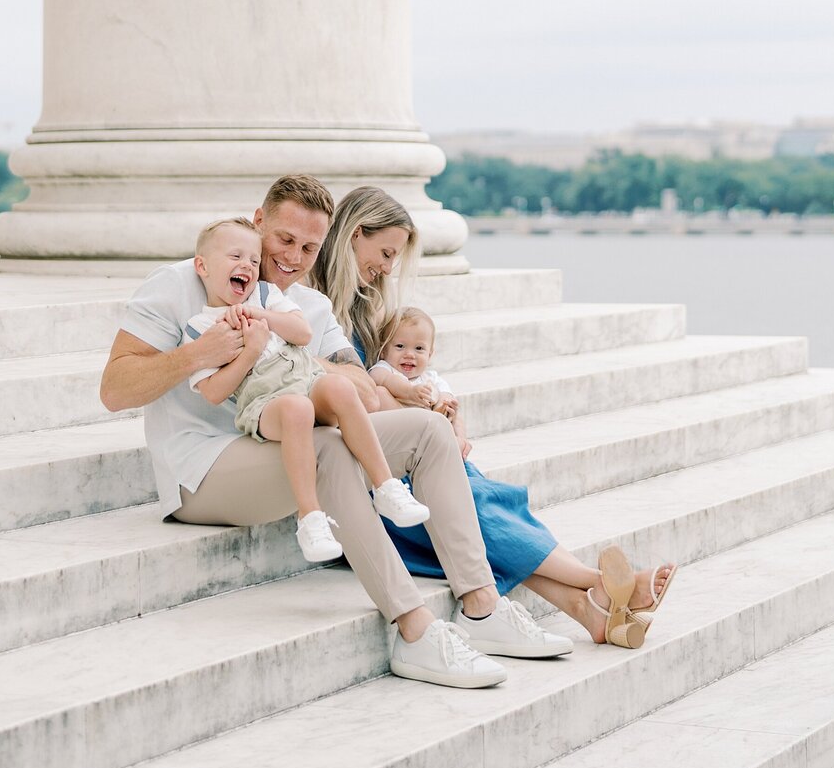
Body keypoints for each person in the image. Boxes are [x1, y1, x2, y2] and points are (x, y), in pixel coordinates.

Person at [99, 174, 567, 688]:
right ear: (258, 223)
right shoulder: (181, 283)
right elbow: (115, 390)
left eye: (309, 247)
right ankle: (414, 630)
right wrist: (200, 354)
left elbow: (361, 390)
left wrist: (285, 347)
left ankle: (481, 609)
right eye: (283, 240)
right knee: (328, 446)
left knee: (429, 431)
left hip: (283, 443)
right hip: (204, 469)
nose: (293, 258)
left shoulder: (309, 309)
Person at [308, 184, 678, 648]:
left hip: (391, 454)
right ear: (355, 234)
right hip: (356, 474)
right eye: (384, 252)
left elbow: (389, 388)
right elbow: (359, 399)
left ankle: (589, 613)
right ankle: (593, 582)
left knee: (472, 497)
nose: (386, 267)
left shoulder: (363, 311)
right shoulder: (311, 304)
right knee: (473, 505)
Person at [184, 216, 430, 562]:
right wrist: (250, 352)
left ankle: (386, 486)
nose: (247, 266)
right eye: (235, 257)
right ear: (203, 266)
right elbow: (212, 392)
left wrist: (263, 317)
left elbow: (302, 334)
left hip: (306, 376)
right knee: (297, 408)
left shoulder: (267, 296)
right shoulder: (200, 327)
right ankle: (311, 518)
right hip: (265, 401)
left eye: (254, 260)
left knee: (342, 388)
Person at [370, 308, 470, 457]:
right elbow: (380, 377)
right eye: (400, 346)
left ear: (429, 354)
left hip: (430, 424)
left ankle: (460, 442)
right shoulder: (385, 369)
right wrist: (409, 392)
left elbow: (445, 395)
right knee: (380, 394)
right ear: (383, 350)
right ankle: (428, 435)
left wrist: (444, 407)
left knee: (456, 416)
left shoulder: (431, 378)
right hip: (403, 428)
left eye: (419, 348)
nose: (409, 354)